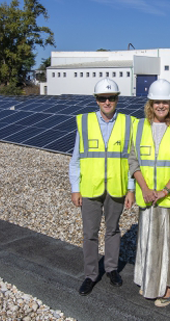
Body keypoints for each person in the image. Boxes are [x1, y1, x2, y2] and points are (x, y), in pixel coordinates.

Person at [126, 79, 170, 308]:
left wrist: (164, 190)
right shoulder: (138, 127)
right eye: (157, 102)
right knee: (148, 240)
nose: (161, 106)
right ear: (150, 104)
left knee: (169, 244)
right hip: (148, 196)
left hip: (169, 197)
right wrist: (144, 189)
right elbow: (133, 161)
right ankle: (150, 280)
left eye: (166, 102)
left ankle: (168, 287)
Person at [69, 78, 135, 296]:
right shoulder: (85, 122)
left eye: (112, 98)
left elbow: (132, 160)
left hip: (116, 187)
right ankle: (90, 275)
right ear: (96, 100)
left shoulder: (128, 123)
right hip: (90, 188)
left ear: (117, 99)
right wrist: (75, 188)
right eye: (102, 98)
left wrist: (131, 188)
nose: (107, 102)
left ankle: (111, 269)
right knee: (90, 233)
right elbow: (76, 159)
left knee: (113, 230)